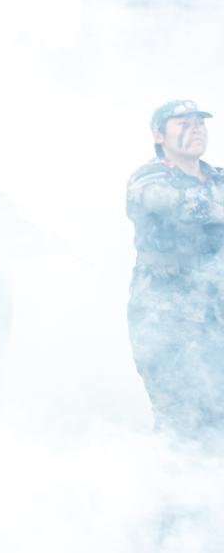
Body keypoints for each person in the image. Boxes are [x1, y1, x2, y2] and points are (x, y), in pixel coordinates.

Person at [126, 99, 224, 446]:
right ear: (159, 135)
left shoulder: (218, 178)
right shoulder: (149, 178)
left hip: (216, 317)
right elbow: (183, 207)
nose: (196, 129)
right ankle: (173, 481)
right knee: (180, 421)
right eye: (184, 123)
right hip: (167, 320)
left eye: (200, 123)